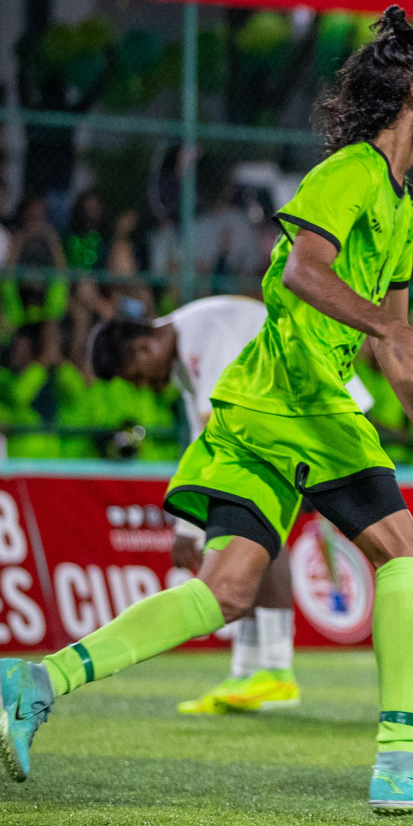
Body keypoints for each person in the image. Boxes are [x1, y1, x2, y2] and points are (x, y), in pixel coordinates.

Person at [0, 5, 413, 814]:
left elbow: (393, 342)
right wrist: (382, 326)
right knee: (410, 558)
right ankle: (401, 759)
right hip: (300, 401)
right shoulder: (350, 173)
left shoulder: (402, 208)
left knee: (225, 588)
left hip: (254, 408)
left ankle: (39, 678)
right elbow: (303, 275)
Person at [85, 298, 376, 715]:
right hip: (300, 414)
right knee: (243, 521)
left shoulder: (207, 332)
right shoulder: (187, 350)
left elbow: (214, 432)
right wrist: (191, 523)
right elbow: (203, 442)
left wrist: (187, 529)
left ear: (142, 349)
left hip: (324, 412)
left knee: (255, 524)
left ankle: (274, 671)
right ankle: (248, 671)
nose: (144, 388)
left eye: (136, 378)